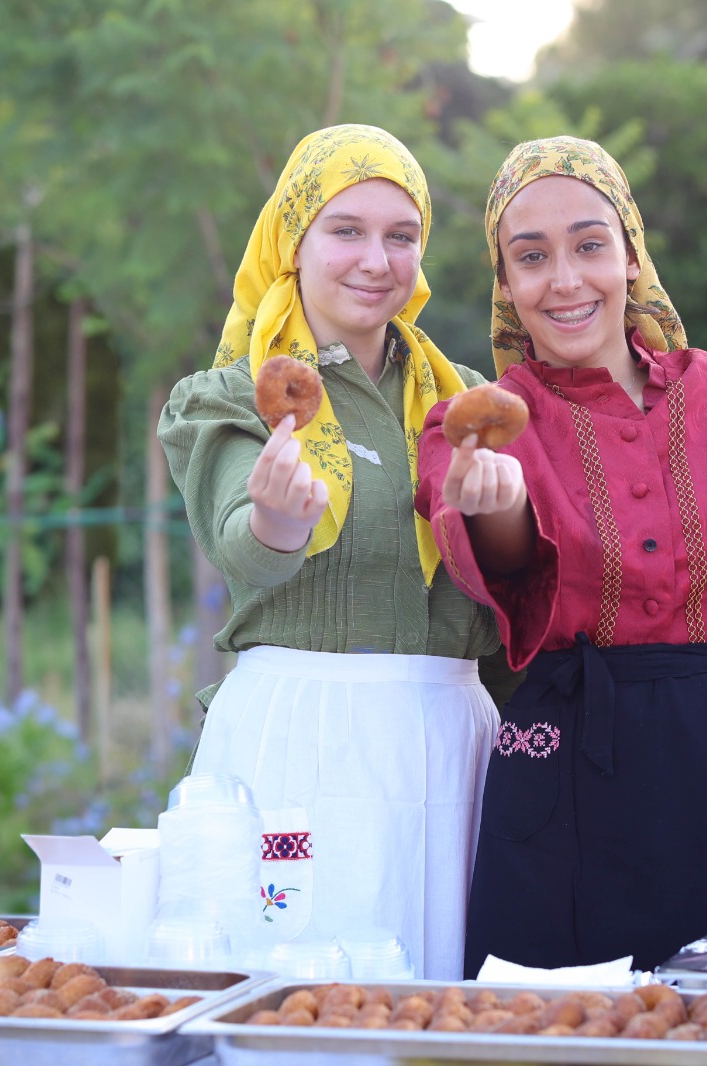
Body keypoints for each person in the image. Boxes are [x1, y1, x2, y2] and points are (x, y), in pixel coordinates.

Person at [415, 135, 707, 977]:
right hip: (563, 787)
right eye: (531, 257)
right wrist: (502, 504)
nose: (565, 279)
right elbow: (498, 561)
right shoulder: (470, 423)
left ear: (631, 255)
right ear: (506, 284)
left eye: (590, 245)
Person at [157, 124, 505, 981]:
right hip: (303, 739)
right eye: (345, 229)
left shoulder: (461, 402)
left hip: (451, 737)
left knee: (448, 1004)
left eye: (401, 235)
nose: (375, 259)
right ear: (292, 239)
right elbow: (245, 541)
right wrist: (280, 517)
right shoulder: (234, 394)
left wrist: (505, 513)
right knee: (302, 995)